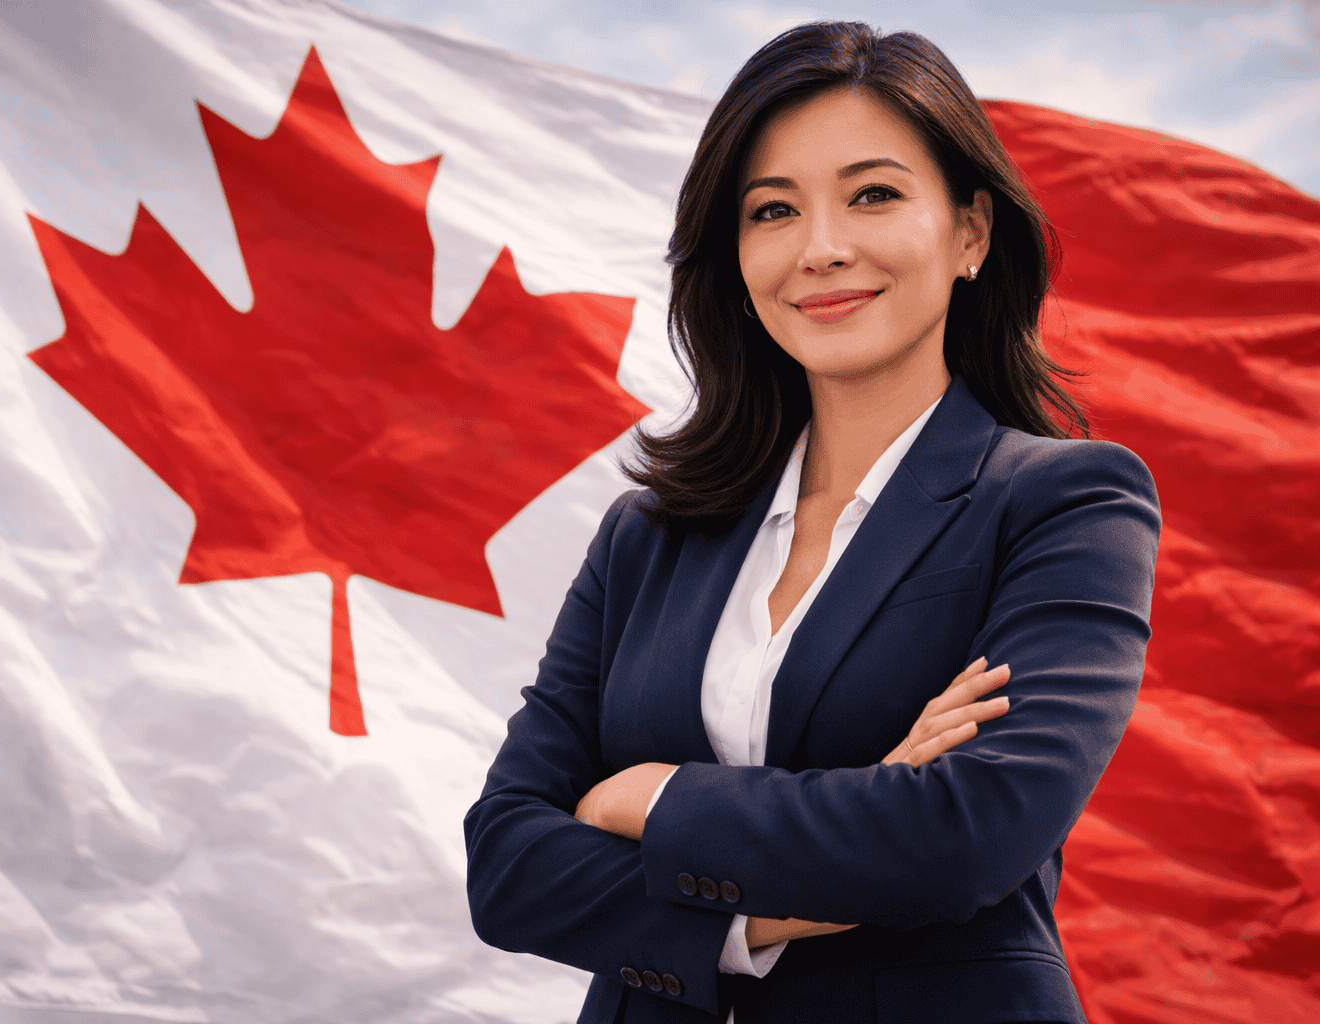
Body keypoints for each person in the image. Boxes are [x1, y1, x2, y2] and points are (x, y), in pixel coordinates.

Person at [464, 21, 1159, 1024]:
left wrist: (651, 797)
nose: (822, 248)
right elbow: (509, 867)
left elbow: (968, 835)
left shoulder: (1068, 502)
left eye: (873, 194)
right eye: (773, 209)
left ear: (970, 231)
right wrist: (788, 893)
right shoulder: (647, 535)